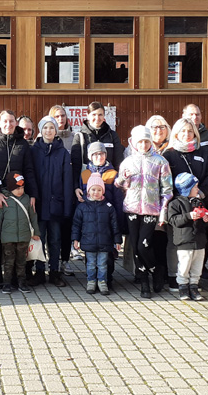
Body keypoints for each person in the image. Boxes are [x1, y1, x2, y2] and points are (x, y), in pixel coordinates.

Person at [116, 125, 174, 299]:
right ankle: (144, 282)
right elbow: (120, 185)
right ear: (134, 142)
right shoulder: (127, 162)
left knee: (144, 244)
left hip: (151, 209)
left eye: (146, 141)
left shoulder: (160, 162)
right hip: (132, 209)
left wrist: (163, 211)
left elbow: (167, 189)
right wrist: (123, 179)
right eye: (140, 141)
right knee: (135, 247)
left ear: (150, 142)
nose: (143, 144)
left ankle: (156, 270)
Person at [0, 110, 37, 288]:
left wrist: (33, 195)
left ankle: (19, 276)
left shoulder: (22, 144)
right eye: (5, 121)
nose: (8, 124)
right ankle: (0, 276)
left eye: (11, 121)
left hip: (19, 196)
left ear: (16, 123)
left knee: (19, 236)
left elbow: (29, 170)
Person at [163, 118, 208, 285]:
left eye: (190, 131)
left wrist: (201, 193)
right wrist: (179, 197)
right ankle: (175, 276)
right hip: (177, 205)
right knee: (176, 242)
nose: (187, 134)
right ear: (176, 133)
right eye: (183, 131)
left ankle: (195, 278)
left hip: (200, 202)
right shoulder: (169, 154)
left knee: (200, 241)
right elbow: (165, 180)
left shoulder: (204, 153)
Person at [30, 116, 75, 287]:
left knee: (55, 239)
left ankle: (55, 271)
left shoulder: (62, 152)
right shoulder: (34, 151)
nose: (48, 131)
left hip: (56, 203)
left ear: (56, 131)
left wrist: (66, 205)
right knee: (39, 238)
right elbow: (30, 175)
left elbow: (67, 180)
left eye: (52, 127)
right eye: (45, 127)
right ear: (40, 130)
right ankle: (39, 270)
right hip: (40, 204)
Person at [78, 141, 125, 289]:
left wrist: (118, 220)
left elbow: (118, 199)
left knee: (108, 253)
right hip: (90, 220)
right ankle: (91, 279)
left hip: (107, 219)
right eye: (95, 154)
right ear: (90, 156)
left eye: (102, 153)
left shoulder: (113, 173)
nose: (99, 156)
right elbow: (81, 194)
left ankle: (107, 278)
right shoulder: (85, 173)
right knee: (90, 252)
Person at [71, 173, 121, 296]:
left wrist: (118, 240)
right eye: (93, 189)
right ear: (88, 191)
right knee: (91, 264)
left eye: (99, 190)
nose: (96, 192)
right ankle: (91, 282)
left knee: (103, 264)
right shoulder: (82, 207)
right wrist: (75, 240)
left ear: (103, 191)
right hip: (89, 242)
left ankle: (102, 282)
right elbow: (76, 225)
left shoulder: (109, 207)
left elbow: (115, 225)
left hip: (105, 242)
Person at [0, 171, 40, 295]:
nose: (20, 190)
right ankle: (7, 283)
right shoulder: (4, 199)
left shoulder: (27, 199)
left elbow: (33, 217)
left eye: (22, 187)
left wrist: (36, 232)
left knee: (21, 261)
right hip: (8, 238)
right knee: (8, 261)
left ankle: (22, 282)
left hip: (23, 237)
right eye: (17, 188)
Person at [167, 173, 208, 301]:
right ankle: (182, 286)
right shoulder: (175, 203)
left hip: (199, 241)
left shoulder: (199, 202)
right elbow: (173, 220)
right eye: (195, 187)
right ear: (187, 188)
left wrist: (206, 219)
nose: (198, 189)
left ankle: (194, 286)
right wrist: (189, 216)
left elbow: (206, 220)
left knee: (197, 266)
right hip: (184, 241)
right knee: (184, 265)